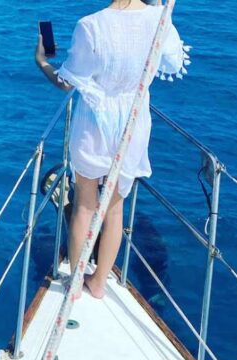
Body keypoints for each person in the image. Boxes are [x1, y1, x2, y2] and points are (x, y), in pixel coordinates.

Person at [34, 0, 189, 298]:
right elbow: (169, 60)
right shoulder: (159, 19)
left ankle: (76, 285)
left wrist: (42, 61)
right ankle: (98, 283)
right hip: (133, 123)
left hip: (93, 123)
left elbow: (67, 82)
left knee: (83, 205)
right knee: (114, 209)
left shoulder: (91, 25)